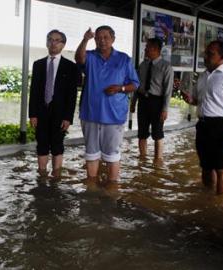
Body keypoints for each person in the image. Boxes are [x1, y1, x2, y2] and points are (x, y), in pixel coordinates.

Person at [75, 25, 140, 182]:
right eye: (98, 37)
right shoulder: (90, 56)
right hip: (90, 113)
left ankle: (112, 188)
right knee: (91, 153)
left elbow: (135, 84)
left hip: (114, 115)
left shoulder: (124, 59)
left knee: (112, 155)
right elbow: (78, 58)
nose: (101, 40)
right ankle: (91, 187)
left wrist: (120, 88)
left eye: (106, 37)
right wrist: (85, 39)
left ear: (113, 39)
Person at [182, 40, 223, 195]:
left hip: (221, 127)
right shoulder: (204, 76)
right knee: (206, 165)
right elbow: (200, 100)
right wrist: (191, 100)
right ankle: (207, 199)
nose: (206, 56)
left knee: (222, 168)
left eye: (211, 54)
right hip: (203, 125)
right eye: (206, 53)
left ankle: (220, 204)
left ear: (222, 57)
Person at [29, 29, 79, 179]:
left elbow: (72, 94)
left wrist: (68, 117)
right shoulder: (38, 64)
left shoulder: (70, 66)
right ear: (46, 43)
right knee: (41, 143)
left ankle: (56, 176)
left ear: (63, 44)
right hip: (41, 110)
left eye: (57, 40)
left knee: (57, 144)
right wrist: (32, 114)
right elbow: (34, 91)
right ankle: (42, 175)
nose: (53, 43)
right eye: (50, 39)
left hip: (60, 112)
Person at [131, 38, 174, 162]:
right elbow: (137, 85)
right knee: (142, 133)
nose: (145, 49)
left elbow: (167, 91)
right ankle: (143, 159)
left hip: (157, 102)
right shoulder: (143, 65)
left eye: (147, 47)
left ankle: (157, 161)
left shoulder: (166, 67)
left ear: (155, 49)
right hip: (143, 102)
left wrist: (165, 109)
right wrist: (133, 102)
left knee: (157, 134)